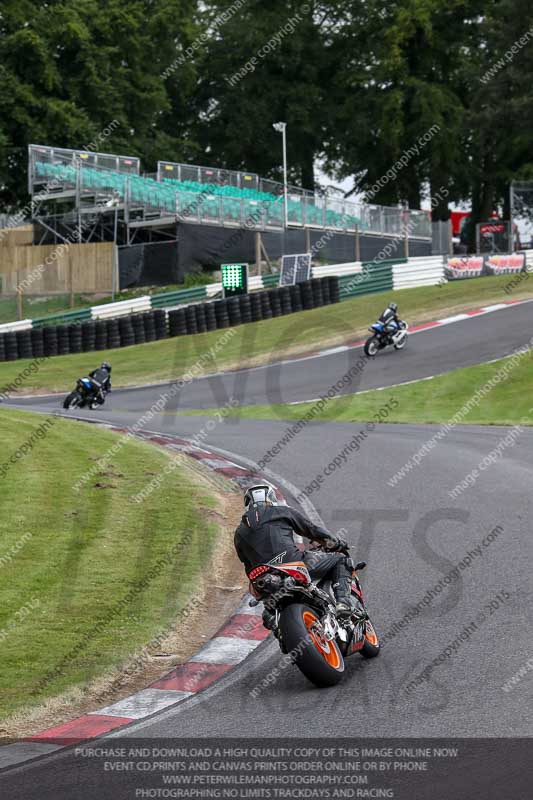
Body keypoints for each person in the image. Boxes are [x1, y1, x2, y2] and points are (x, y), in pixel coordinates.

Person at [234, 484, 355, 620]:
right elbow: (312, 530)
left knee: (268, 616)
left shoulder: (239, 532)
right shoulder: (282, 511)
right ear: (271, 498)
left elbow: (247, 565)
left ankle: (278, 623)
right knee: (341, 560)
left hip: (263, 579)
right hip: (292, 563)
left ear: (248, 504)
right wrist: (335, 543)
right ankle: (343, 603)